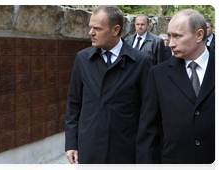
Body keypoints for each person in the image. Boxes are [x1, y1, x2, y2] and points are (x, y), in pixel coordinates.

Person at [65, 5, 152, 170]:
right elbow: (74, 104)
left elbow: (148, 113)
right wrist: (71, 143)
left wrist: (145, 155)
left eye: (97, 28)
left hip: (124, 153)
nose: (91, 32)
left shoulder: (140, 62)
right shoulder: (83, 59)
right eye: (91, 27)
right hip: (89, 151)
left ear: (115, 29)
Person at [136, 9, 216, 170]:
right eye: (170, 36)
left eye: (177, 36)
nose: (171, 43)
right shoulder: (158, 74)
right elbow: (148, 131)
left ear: (199, 35)